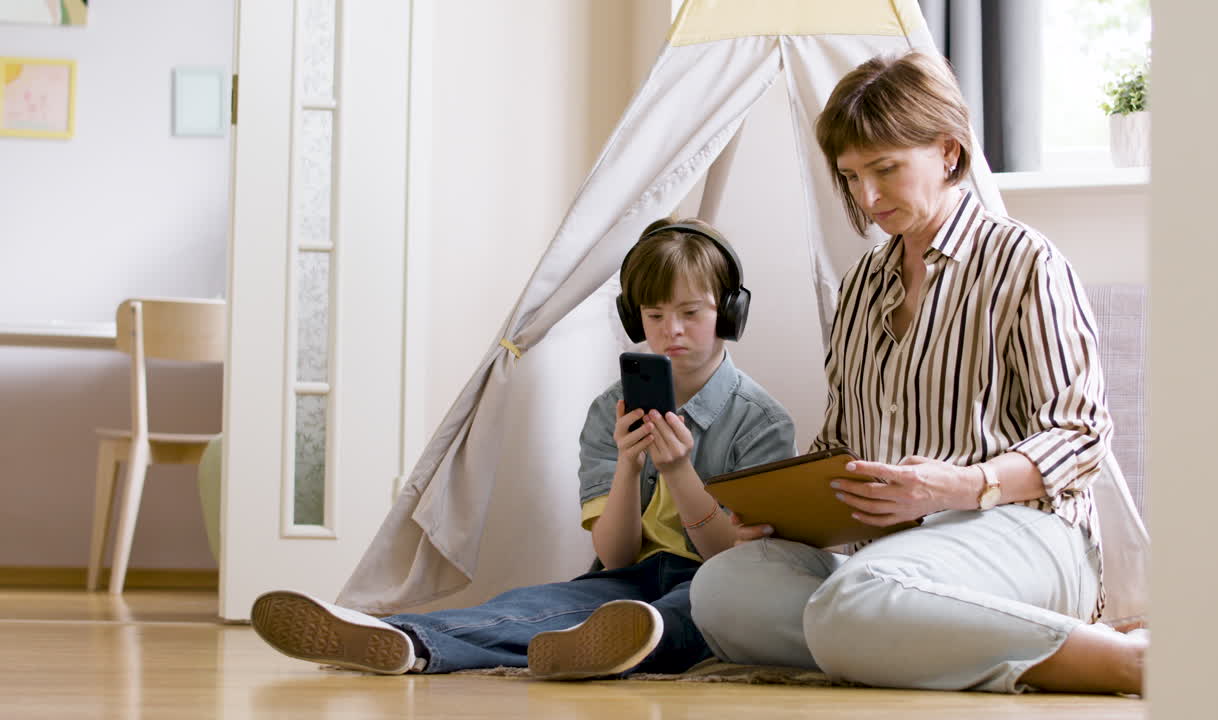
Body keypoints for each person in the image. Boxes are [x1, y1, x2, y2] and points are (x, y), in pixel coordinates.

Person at [688, 51, 1148, 696]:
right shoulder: (861, 286)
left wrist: (957, 486)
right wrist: (789, 512)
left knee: (854, 601)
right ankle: (898, 637)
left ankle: (1126, 662)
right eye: (851, 177)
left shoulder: (1026, 262)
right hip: (889, 556)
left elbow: (1080, 436)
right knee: (723, 589)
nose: (868, 197)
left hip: (1028, 532)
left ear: (948, 152)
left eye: (885, 169)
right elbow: (841, 443)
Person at [250, 218, 796, 679]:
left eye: (691, 313)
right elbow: (616, 557)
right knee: (534, 605)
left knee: (688, 611)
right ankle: (404, 639)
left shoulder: (762, 423)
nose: (671, 330)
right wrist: (629, 467)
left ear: (730, 313)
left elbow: (729, 559)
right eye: (654, 315)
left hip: (714, 580)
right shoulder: (611, 410)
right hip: (628, 579)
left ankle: (617, 642)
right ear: (635, 319)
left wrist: (677, 472)